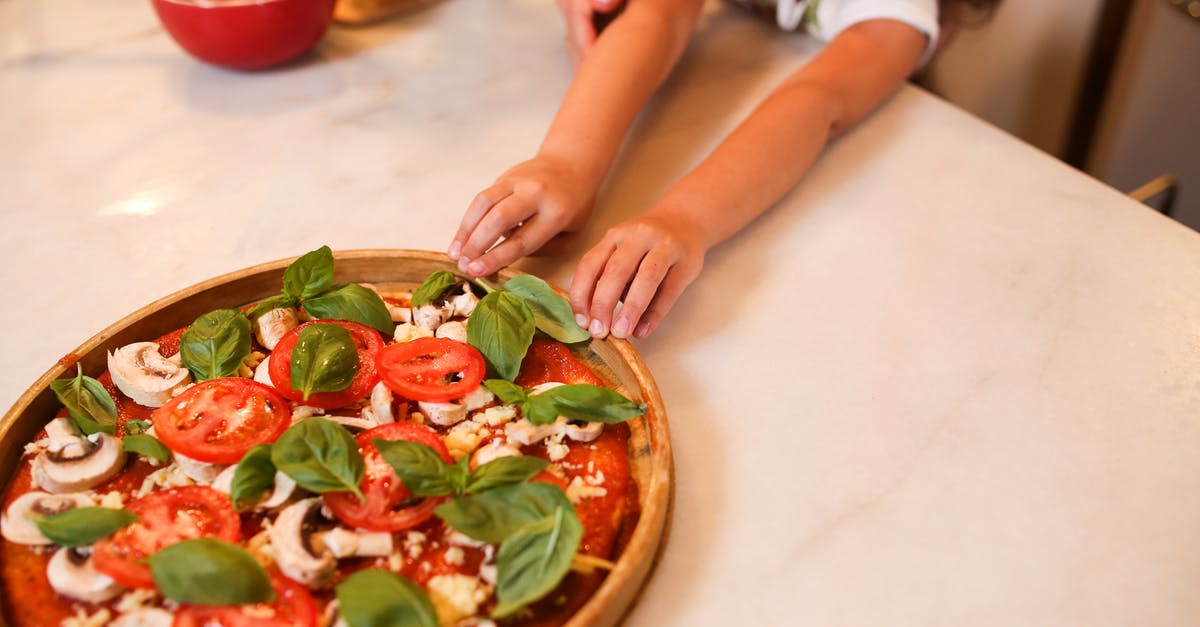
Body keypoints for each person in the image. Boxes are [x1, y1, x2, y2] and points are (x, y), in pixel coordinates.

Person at [449, 0, 998, 340]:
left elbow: (818, 100)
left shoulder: (894, 17)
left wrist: (686, 220)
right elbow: (658, 13)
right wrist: (567, 160)